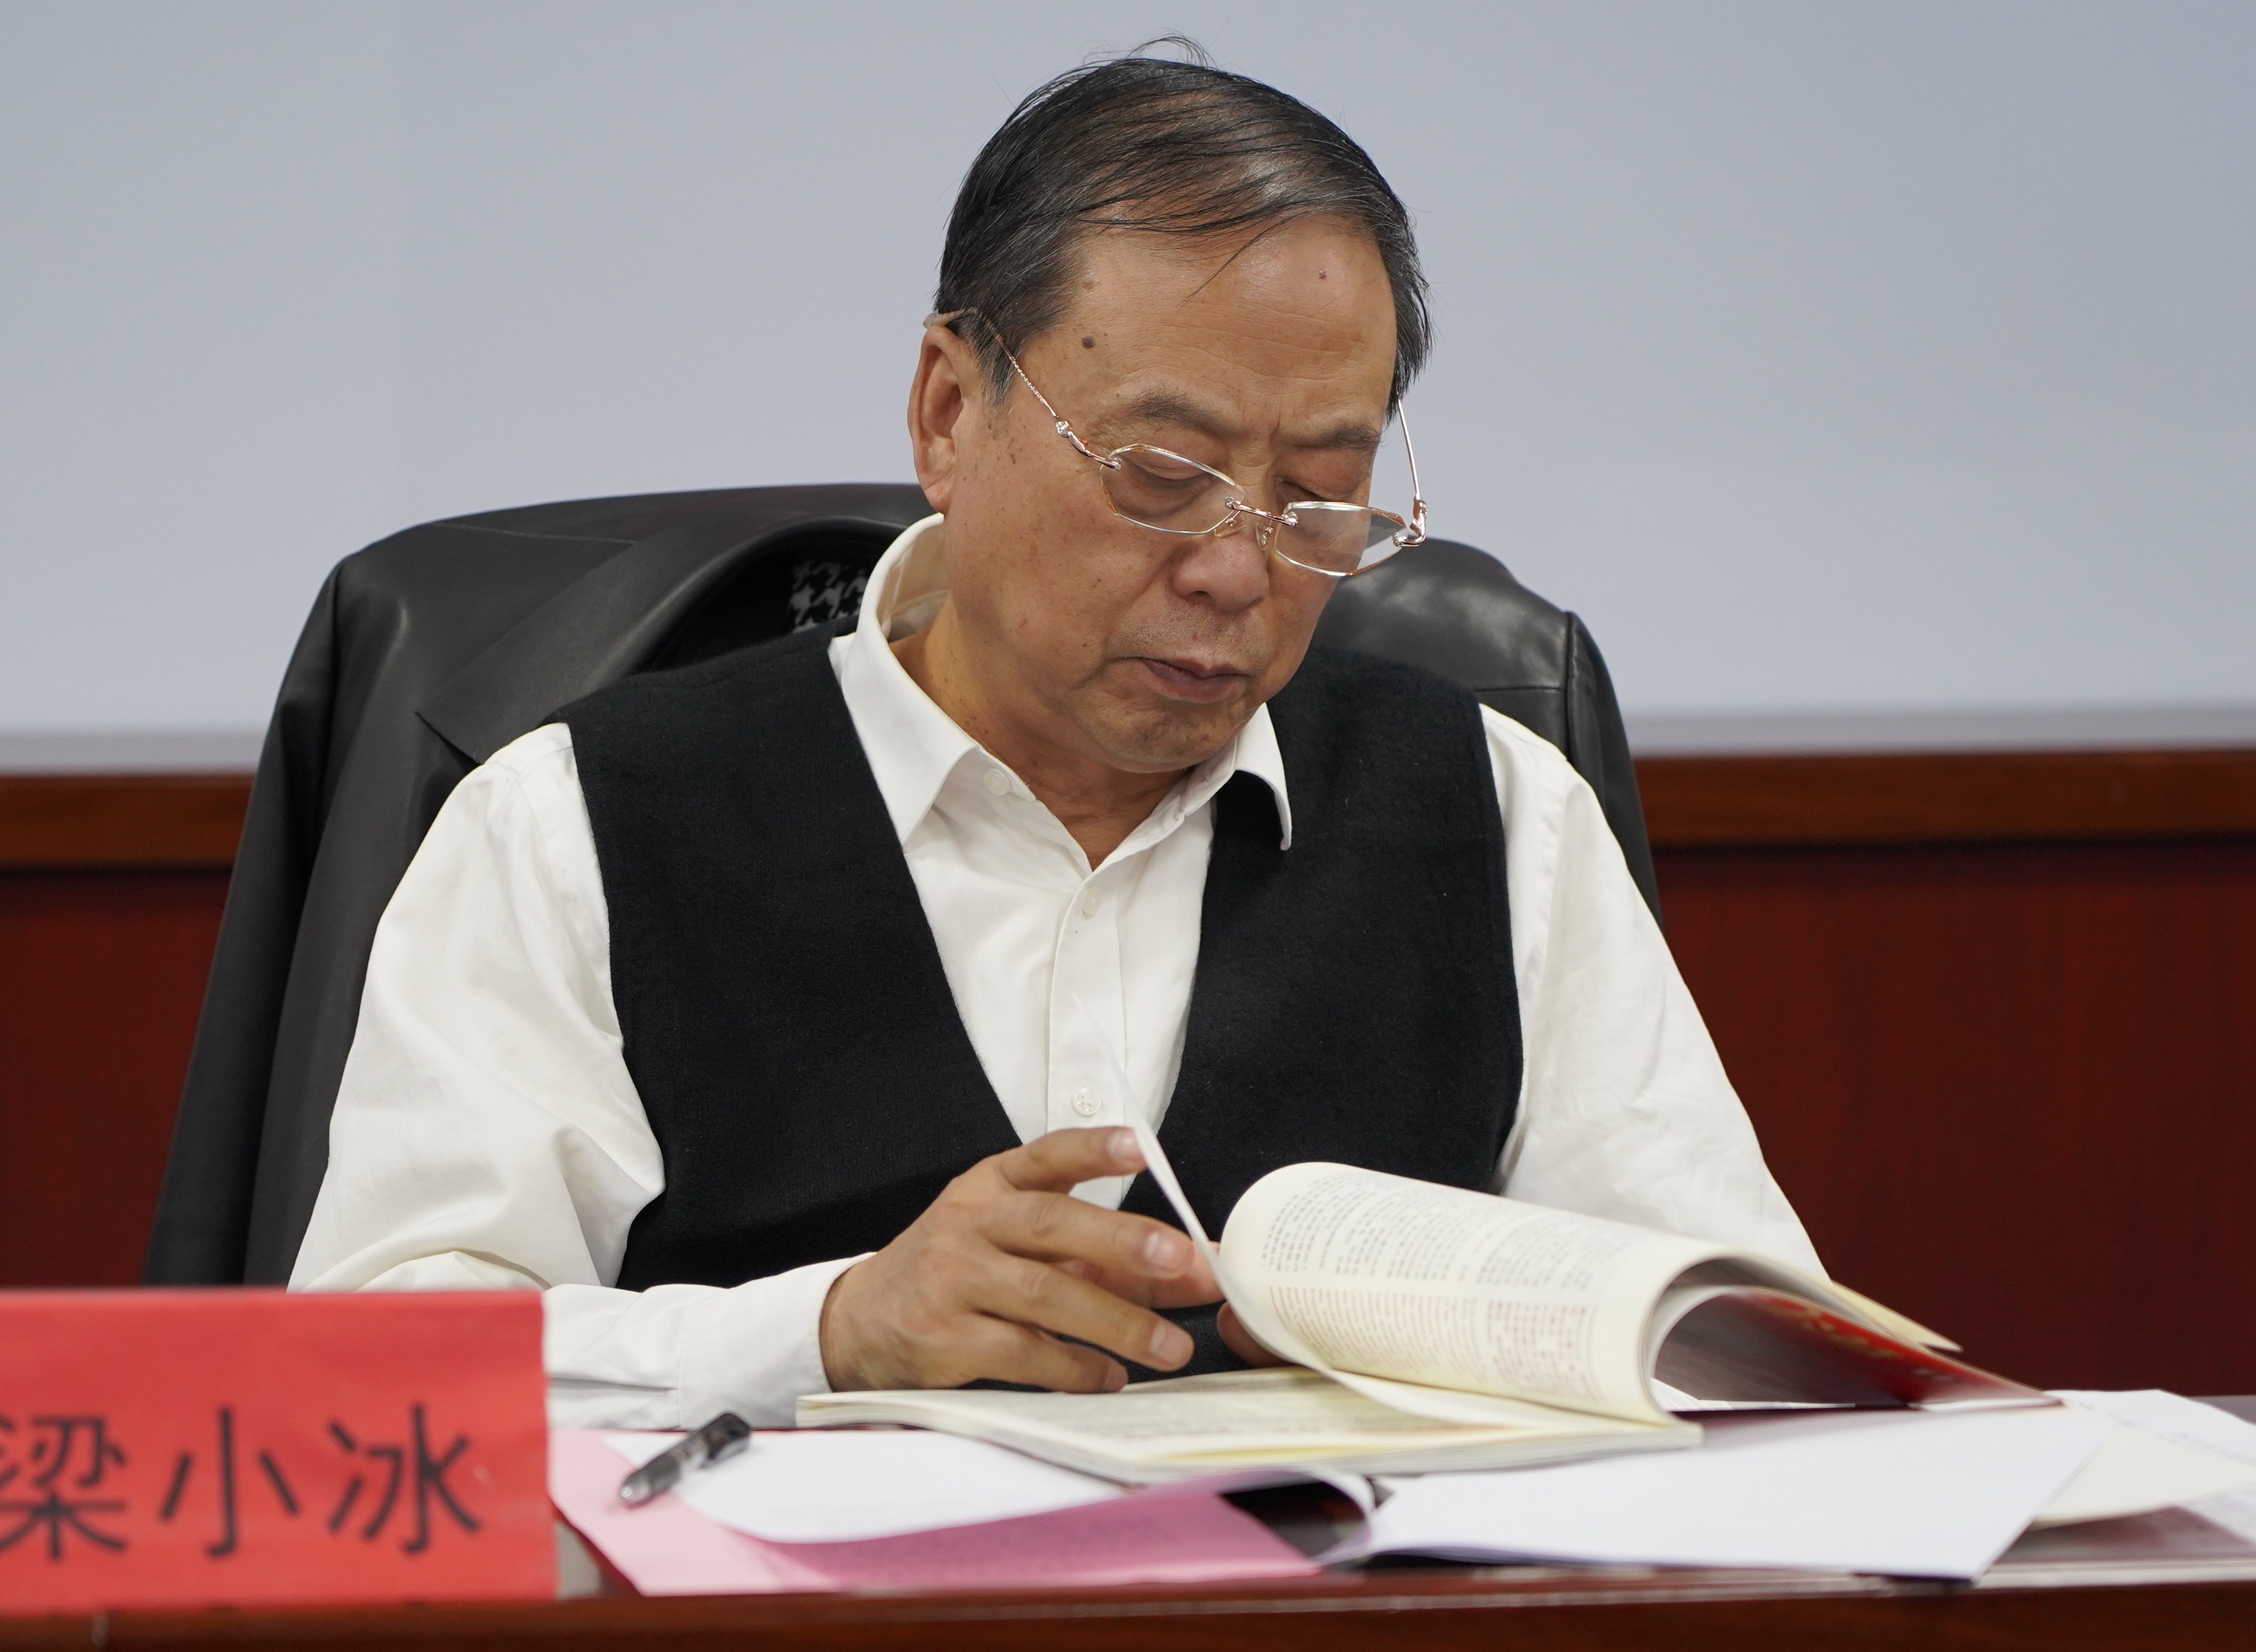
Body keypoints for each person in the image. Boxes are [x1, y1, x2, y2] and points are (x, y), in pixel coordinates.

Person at [291, 53, 1819, 1428]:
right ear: (948, 412)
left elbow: (1740, 1348)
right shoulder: (572, 824)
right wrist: (825, 1332)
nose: (1237, 569)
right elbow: (370, 1373)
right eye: (1161, 472)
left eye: (1317, 494)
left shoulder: (1497, 811)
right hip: (793, 1643)